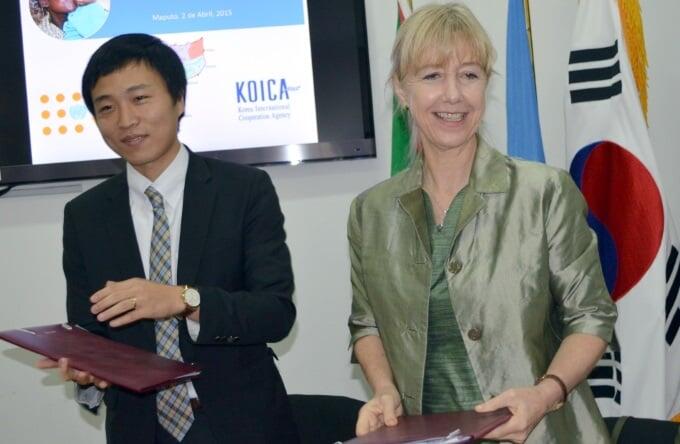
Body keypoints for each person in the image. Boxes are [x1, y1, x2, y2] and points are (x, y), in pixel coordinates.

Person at [347, 4, 617, 443]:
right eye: (432, 76)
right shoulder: (369, 211)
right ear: (401, 89)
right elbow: (367, 325)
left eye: (469, 75)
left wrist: (544, 394)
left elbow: (592, 316)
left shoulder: (543, 192)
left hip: (542, 433)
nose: (453, 95)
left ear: (485, 86)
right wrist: (383, 390)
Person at [37, 33, 299, 443]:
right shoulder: (84, 215)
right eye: (107, 107)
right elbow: (89, 334)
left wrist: (183, 299)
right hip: (139, 429)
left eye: (140, 99)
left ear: (179, 99)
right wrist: (90, 373)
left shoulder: (244, 190)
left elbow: (275, 313)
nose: (125, 120)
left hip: (241, 423)